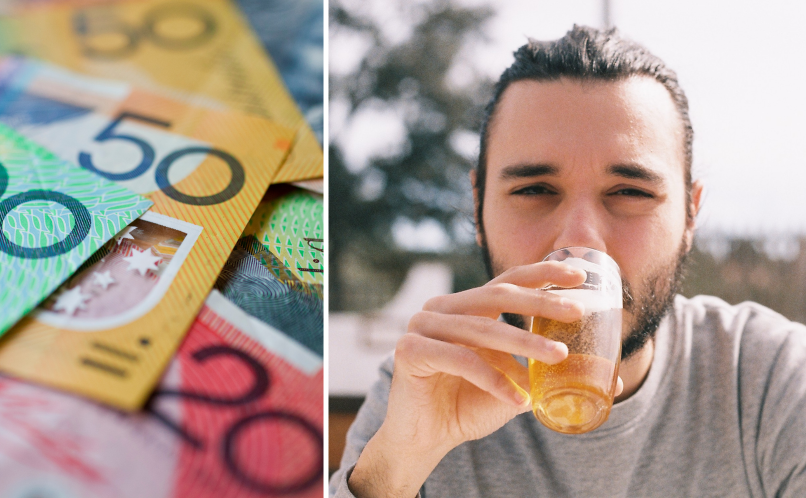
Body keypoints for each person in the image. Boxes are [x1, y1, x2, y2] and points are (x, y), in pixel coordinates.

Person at [329, 25, 806, 497]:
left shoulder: (771, 380)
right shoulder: (428, 382)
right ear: (478, 207)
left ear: (690, 215)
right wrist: (398, 466)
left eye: (630, 192)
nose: (581, 243)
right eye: (534, 190)